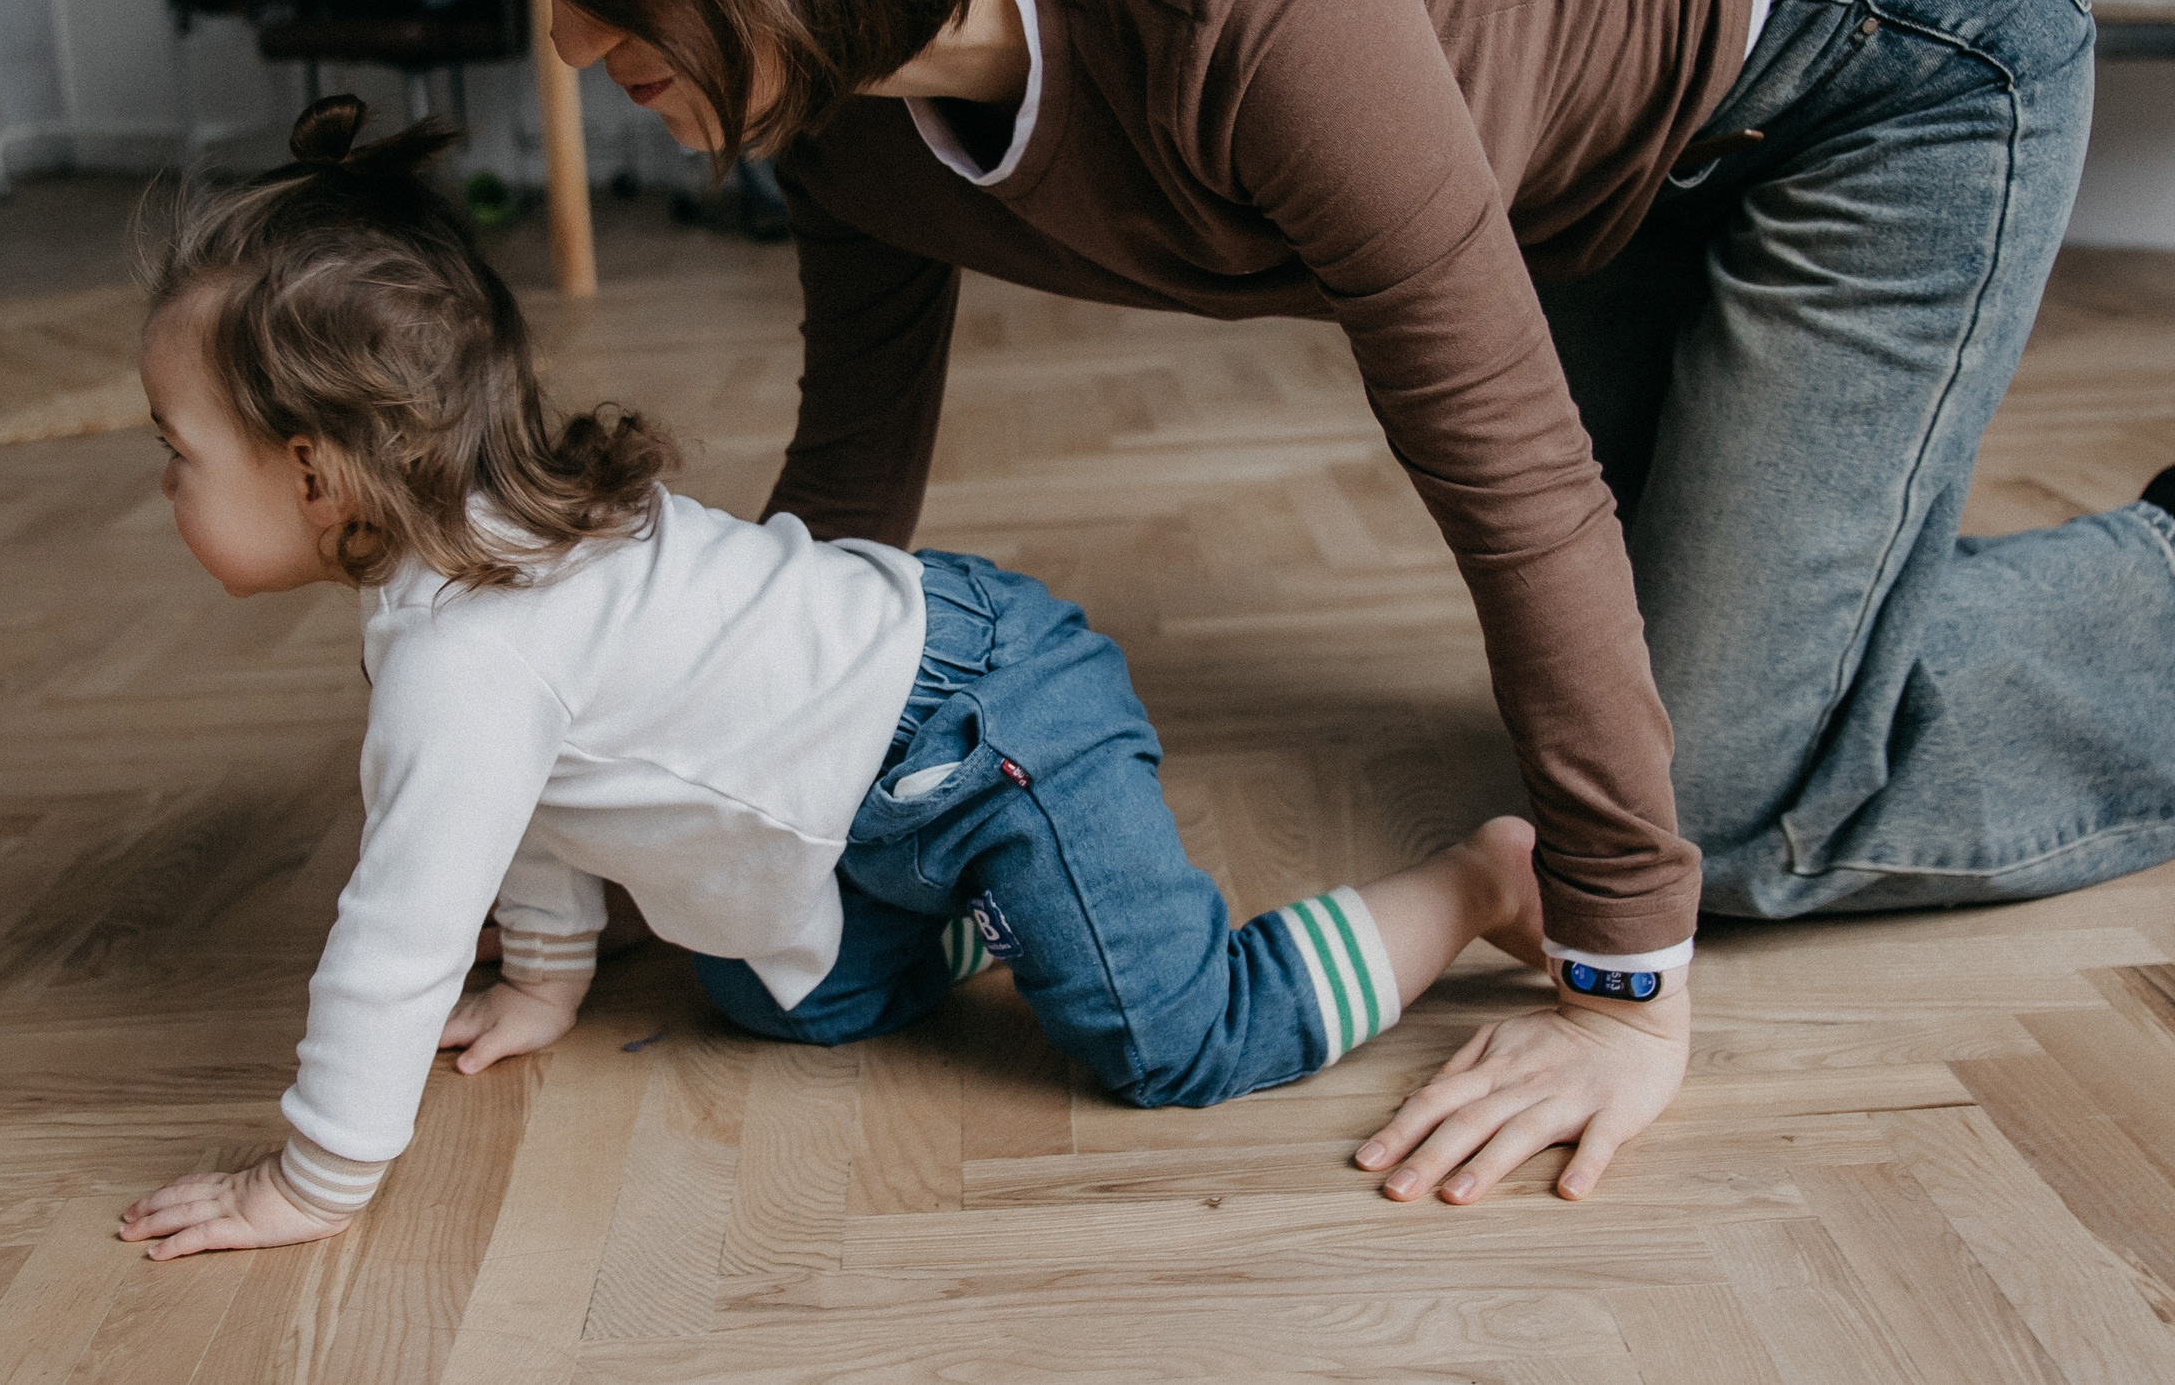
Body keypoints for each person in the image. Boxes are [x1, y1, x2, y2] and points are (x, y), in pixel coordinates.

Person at [457, 0, 2175, 1209]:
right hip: (1602, 172)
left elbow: (1510, 482)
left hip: (1876, 28)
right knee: (1675, 718)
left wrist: (1620, 989)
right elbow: (847, 481)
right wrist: (665, 828)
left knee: (1702, 806)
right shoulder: (840, 121)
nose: (570, 40)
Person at [117, 98, 1581, 1260]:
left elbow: (401, 932)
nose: (165, 479)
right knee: (768, 995)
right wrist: (553, 981)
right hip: (881, 768)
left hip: (993, 721)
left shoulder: (462, 654)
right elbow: (534, 800)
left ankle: (1470, 886)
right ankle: (989, 909)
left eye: (179, 452)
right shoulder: (465, 567)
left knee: (1170, 1041)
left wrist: (312, 1178)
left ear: (314, 472)